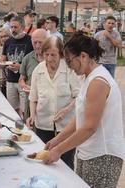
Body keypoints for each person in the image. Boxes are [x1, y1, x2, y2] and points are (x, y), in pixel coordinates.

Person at [43, 32, 125, 188]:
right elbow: (80, 119)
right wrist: (56, 140)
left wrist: (58, 151)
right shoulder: (89, 78)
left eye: (69, 61)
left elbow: (89, 127)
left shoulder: (98, 82)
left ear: (83, 56)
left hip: (102, 156)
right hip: (88, 152)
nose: (68, 67)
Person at [26, 36, 80, 169]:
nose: (49, 58)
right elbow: (33, 98)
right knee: (43, 161)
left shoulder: (69, 69)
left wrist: (66, 110)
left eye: (53, 55)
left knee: (65, 164)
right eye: (46, 54)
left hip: (65, 128)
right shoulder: (38, 70)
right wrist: (32, 116)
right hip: (43, 125)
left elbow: (78, 96)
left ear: (61, 54)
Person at [0, 16, 33, 118]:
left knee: (25, 110)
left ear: (22, 27)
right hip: (10, 80)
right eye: (11, 27)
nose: (13, 30)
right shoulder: (8, 41)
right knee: (12, 109)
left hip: (24, 81)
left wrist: (20, 67)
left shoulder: (30, 41)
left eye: (15, 27)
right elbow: (3, 58)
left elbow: (34, 62)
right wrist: (0, 63)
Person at [19, 29, 47, 120]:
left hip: (46, 104)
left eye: (40, 42)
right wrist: (24, 86)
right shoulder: (28, 58)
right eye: (35, 43)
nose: (38, 46)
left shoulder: (52, 58)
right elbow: (21, 79)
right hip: (30, 100)